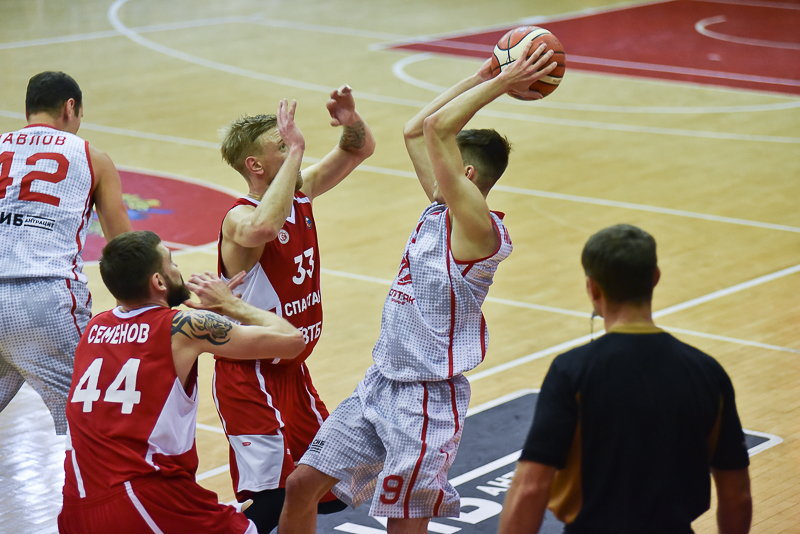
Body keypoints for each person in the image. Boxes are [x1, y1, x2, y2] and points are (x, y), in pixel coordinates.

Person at [278, 42, 558, 534]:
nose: (434, 163)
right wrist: (482, 75)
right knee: (302, 485)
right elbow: (416, 129)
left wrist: (503, 84)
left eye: (444, 162)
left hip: (427, 400)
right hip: (380, 383)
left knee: (404, 524)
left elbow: (436, 129)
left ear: (465, 176)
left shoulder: (478, 231)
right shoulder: (440, 205)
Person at [497, 224, 752, 534]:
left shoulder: (571, 371)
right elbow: (737, 495)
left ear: (592, 288)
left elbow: (530, 488)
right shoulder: (707, 372)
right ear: (655, 277)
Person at [58, 230, 306, 534]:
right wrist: (231, 305)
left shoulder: (94, 329)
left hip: (75, 508)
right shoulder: (185, 327)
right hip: (144, 498)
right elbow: (293, 342)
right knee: (262, 516)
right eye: (172, 263)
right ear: (159, 282)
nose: (178, 270)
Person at [213, 85, 376, 531]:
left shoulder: (300, 194)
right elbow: (263, 228)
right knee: (271, 500)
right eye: (282, 145)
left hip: (292, 372)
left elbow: (358, 149)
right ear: (256, 165)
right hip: (249, 376)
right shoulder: (240, 217)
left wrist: (350, 119)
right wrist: (299, 150)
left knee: (331, 486)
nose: (293, 148)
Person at [0, 71, 131, 435]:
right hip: (43, 297)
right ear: (70, 108)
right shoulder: (91, 156)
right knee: (100, 421)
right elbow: (126, 249)